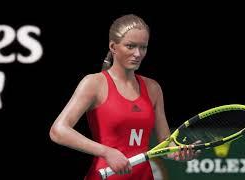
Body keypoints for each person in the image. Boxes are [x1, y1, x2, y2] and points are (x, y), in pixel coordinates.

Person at [49, 14, 201, 180]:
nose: (138, 53)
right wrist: (106, 152)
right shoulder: (94, 83)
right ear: (113, 47)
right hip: (104, 176)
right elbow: (58, 130)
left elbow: (164, 142)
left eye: (143, 47)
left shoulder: (153, 88)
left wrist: (178, 153)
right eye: (130, 46)